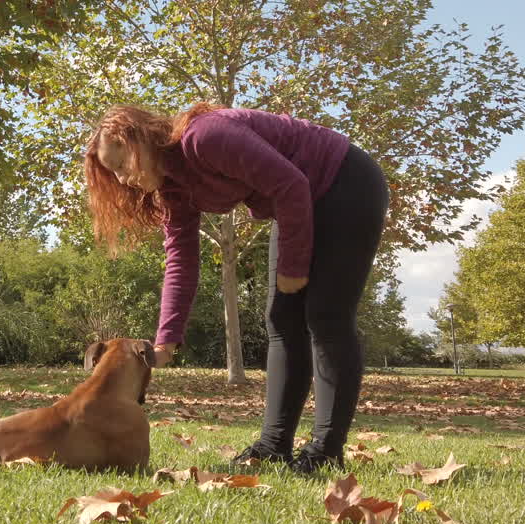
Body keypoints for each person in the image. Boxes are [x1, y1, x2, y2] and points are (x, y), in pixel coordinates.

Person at [83, 102, 388, 474]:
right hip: (296, 199)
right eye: (112, 174)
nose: (122, 180)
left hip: (345, 182)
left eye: (121, 165)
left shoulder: (205, 137)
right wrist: (166, 341)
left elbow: (291, 183)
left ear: (137, 142)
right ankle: (274, 445)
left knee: (325, 316)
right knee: (281, 320)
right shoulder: (174, 190)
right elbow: (181, 261)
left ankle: (325, 449)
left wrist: (293, 266)